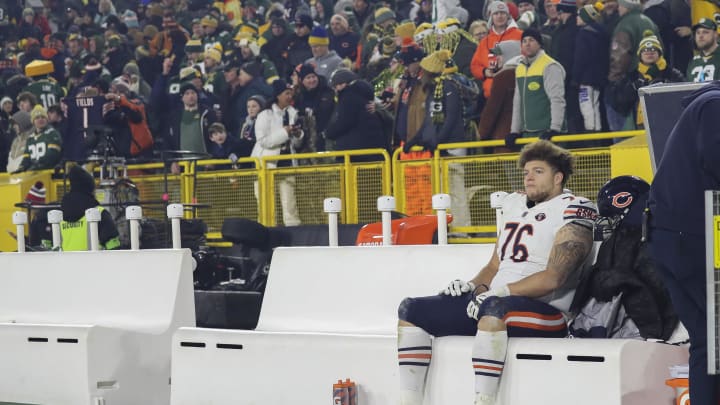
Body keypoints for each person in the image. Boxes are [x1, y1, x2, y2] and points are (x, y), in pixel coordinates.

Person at [397, 140, 597, 405]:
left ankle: (485, 401)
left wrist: (501, 292)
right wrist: (472, 286)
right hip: (496, 303)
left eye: (538, 171)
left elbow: (554, 278)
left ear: (558, 177)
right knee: (412, 310)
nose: (529, 178)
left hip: (548, 312)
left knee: (494, 309)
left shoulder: (574, 208)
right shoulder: (514, 205)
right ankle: (408, 401)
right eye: (526, 172)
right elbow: (494, 266)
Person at [648, 82, 720, 405]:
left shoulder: (703, 105)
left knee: (708, 341)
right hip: (694, 236)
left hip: (673, 237)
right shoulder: (714, 106)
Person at [506, 29, 565, 147]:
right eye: (524, 41)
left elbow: (557, 99)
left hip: (546, 132)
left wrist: (555, 129)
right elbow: (517, 101)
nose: (527, 44)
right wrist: (514, 131)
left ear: (539, 44)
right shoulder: (520, 68)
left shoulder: (550, 66)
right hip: (527, 133)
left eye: (531, 40)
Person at [60, 165, 120, 251]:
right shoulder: (100, 213)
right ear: (90, 190)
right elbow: (114, 249)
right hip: (95, 263)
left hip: (66, 263)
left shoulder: (60, 214)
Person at [14, 105, 63, 173]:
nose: (40, 119)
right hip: (34, 174)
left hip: (49, 174)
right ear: (33, 121)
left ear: (47, 119)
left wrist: (37, 165)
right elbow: (26, 157)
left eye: (43, 117)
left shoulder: (53, 134)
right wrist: (22, 167)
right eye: (37, 118)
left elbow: (52, 155)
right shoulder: (30, 139)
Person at [686, 18, 720, 82]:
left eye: (705, 32)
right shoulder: (693, 62)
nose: (700, 36)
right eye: (698, 33)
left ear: (715, 35)